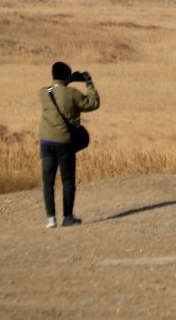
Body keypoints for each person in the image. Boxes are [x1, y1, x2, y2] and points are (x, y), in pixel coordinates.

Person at [39, 61, 100, 228]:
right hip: (64, 142)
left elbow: (55, 89)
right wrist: (88, 82)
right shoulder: (72, 93)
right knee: (67, 180)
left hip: (45, 142)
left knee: (48, 182)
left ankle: (51, 219)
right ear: (67, 76)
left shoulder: (44, 92)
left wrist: (66, 80)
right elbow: (93, 103)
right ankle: (67, 217)